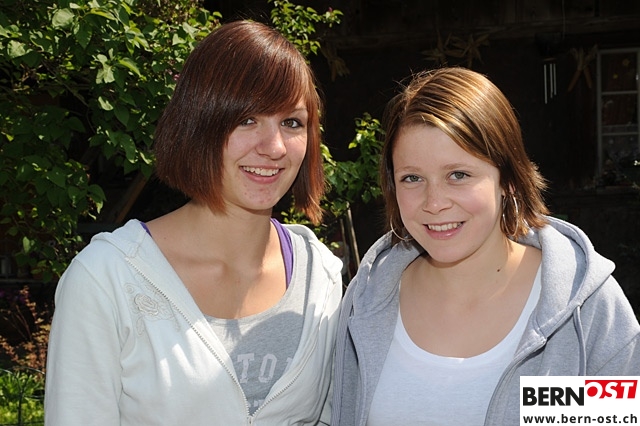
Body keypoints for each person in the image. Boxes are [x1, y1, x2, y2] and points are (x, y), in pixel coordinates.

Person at [45, 20, 343, 426]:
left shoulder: (321, 275)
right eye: (246, 119)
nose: (274, 147)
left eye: (292, 122)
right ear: (197, 123)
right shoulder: (107, 280)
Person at [331, 67, 640, 426]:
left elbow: (620, 418)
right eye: (412, 178)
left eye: (458, 175)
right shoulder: (366, 301)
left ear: (507, 179)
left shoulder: (584, 307)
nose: (434, 202)